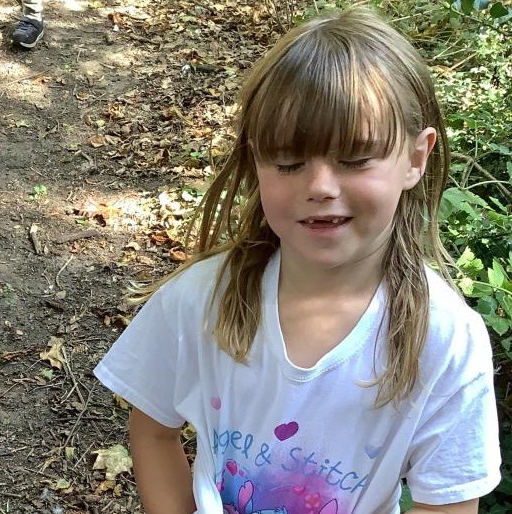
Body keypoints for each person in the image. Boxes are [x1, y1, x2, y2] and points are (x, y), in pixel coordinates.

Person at [93, 8, 500, 514]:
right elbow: (153, 429)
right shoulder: (200, 300)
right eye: (288, 162)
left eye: (355, 159)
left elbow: (450, 502)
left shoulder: (445, 338)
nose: (321, 187)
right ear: (256, 161)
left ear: (416, 159)